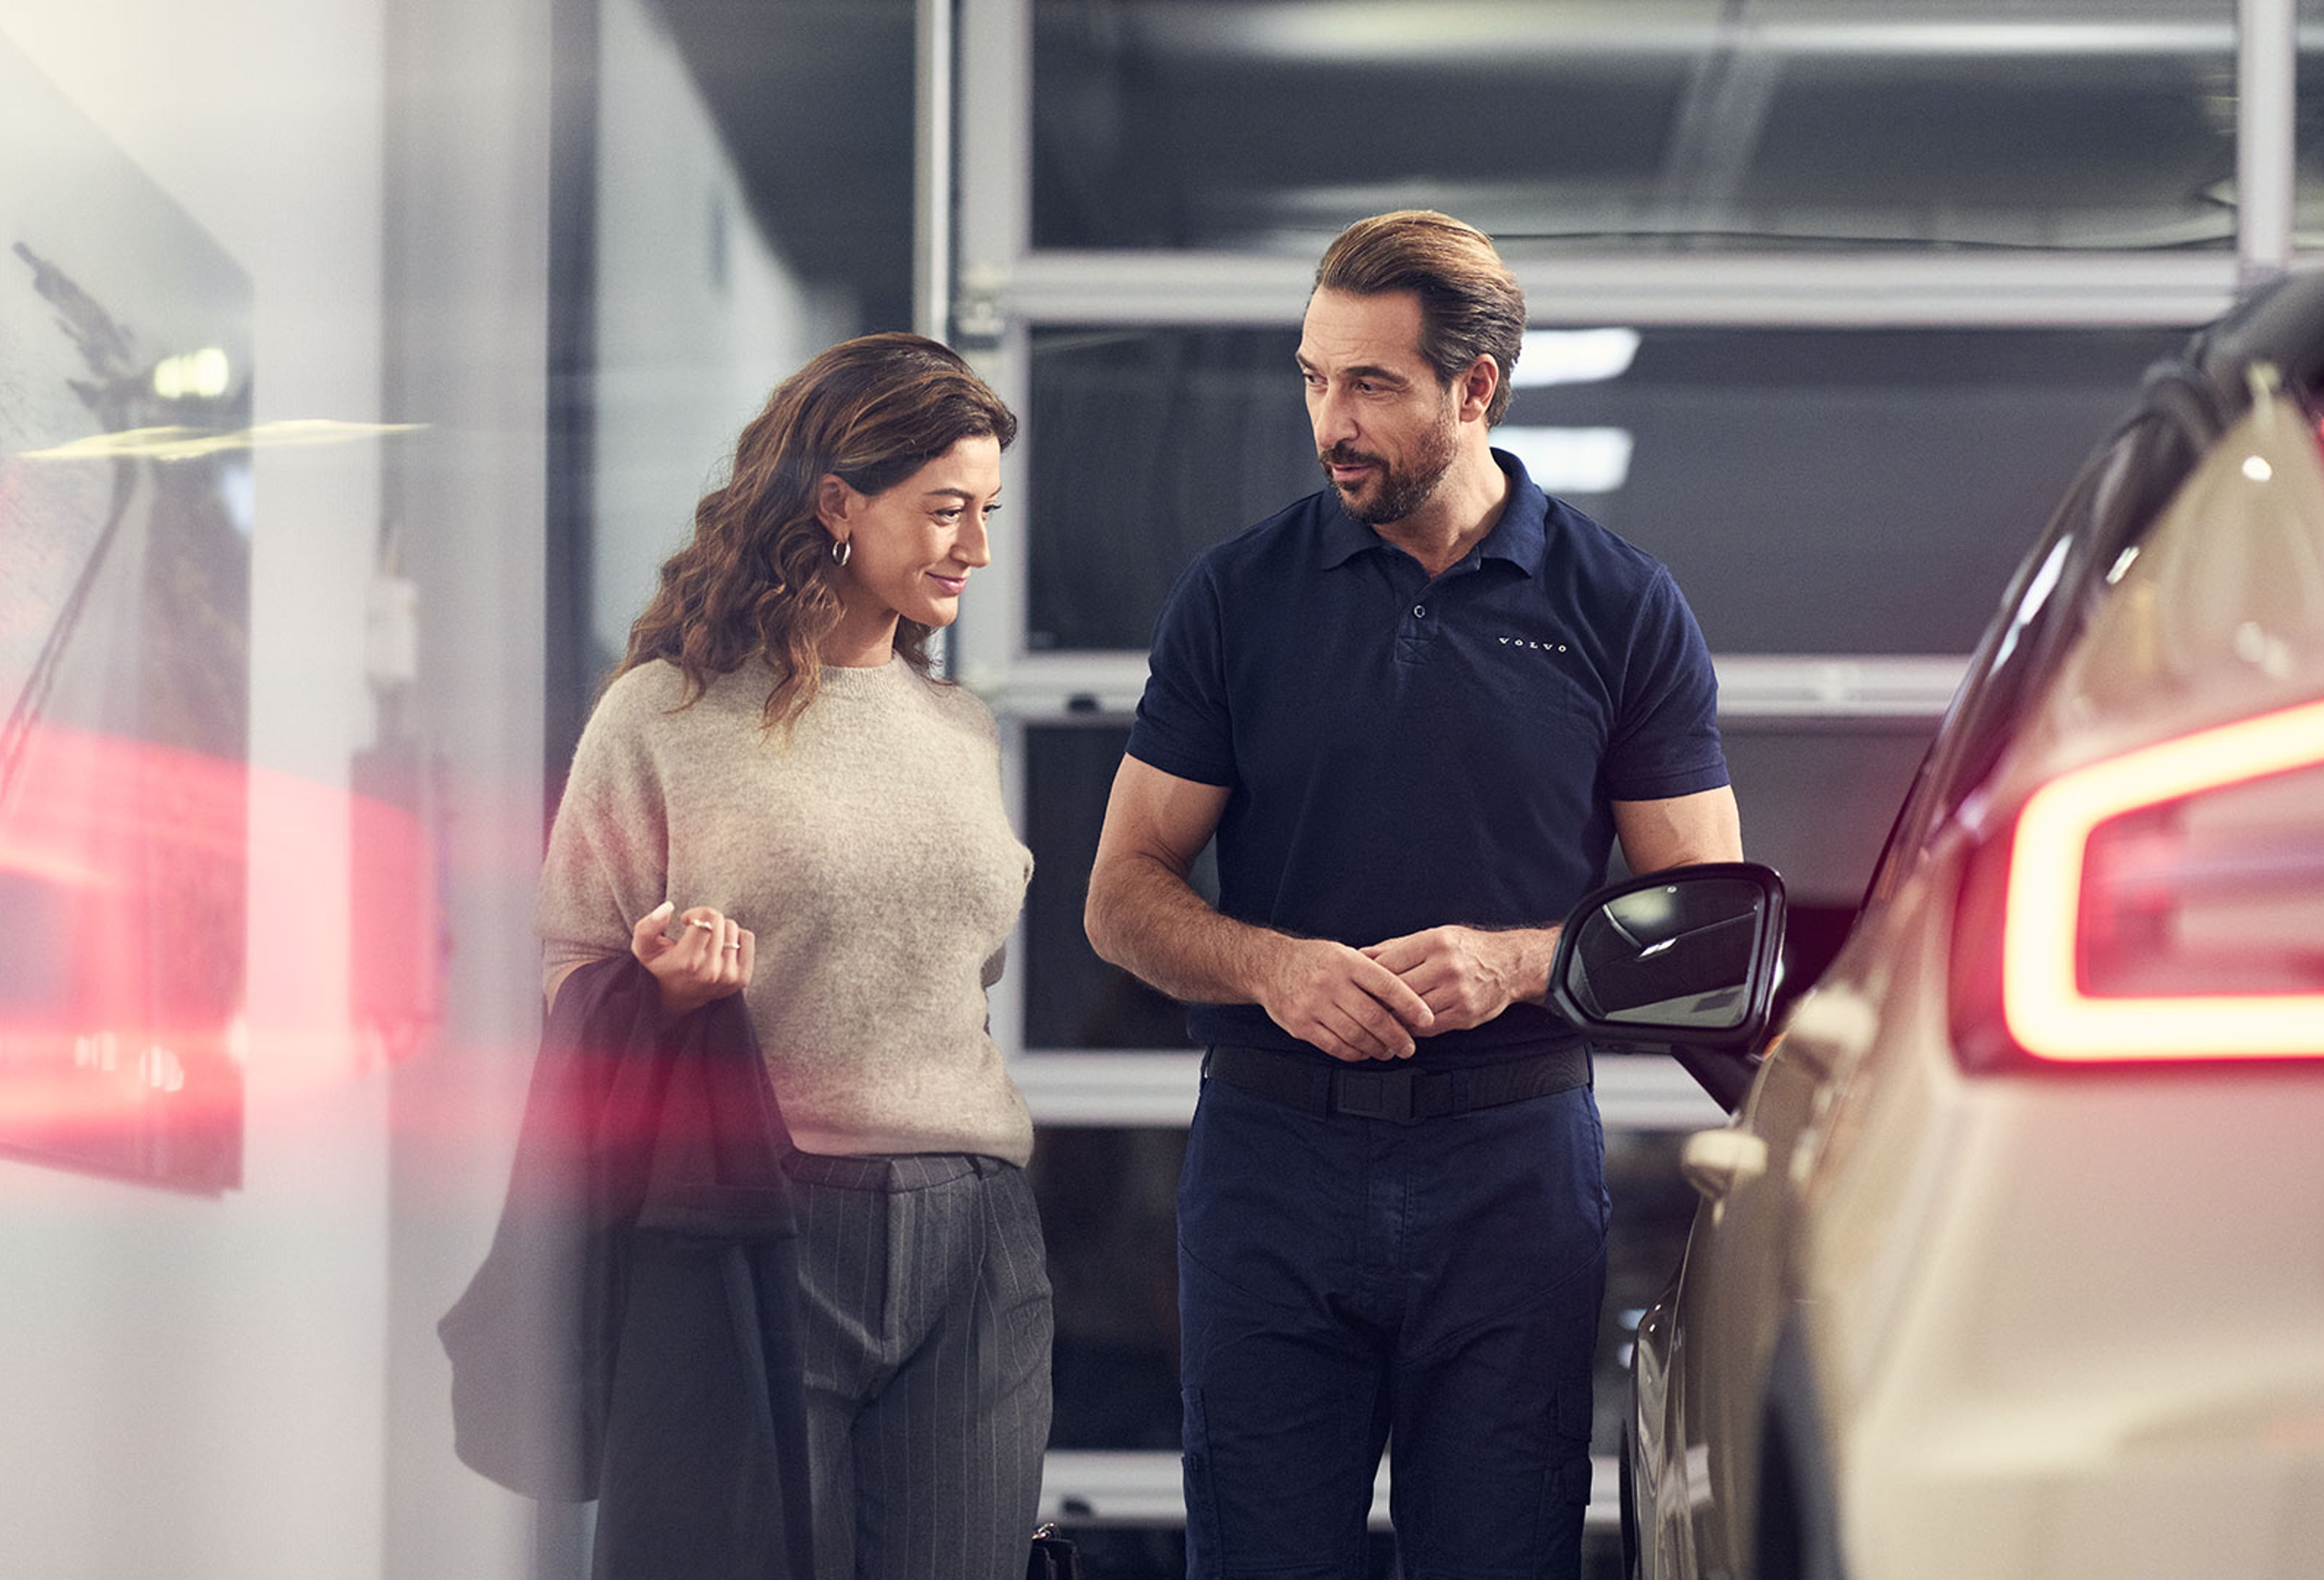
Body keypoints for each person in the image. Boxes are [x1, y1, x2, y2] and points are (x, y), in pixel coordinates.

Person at [1084, 211, 1742, 1579]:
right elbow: (1123, 897)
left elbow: (1706, 933)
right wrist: (1274, 969)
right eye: (1315, 377)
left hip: (1511, 1176)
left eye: (1371, 384)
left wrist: (1516, 961)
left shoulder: (1620, 605)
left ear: (1476, 389)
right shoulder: (1236, 597)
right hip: (1274, 1169)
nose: (1333, 420)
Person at [536, 332, 1051, 1580]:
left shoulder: (960, 728)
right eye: (943, 511)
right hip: (761, 1223)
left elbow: (951, 987)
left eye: (985, 512)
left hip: (976, 1235)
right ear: (836, 503)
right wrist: (658, 989)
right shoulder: (662, 715)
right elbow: (567, 974)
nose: (974, 549)